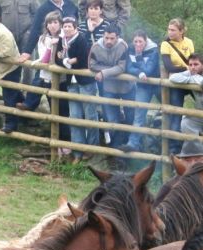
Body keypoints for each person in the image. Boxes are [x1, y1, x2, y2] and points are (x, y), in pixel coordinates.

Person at [16, 11, 70, 148]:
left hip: (61, 79)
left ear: (60, 24)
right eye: (50, 23)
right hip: (45, 74)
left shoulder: (65, 38)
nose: (52, 26)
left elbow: (63, 56)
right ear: (46, 25)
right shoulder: (42, 39)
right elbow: (44, 57)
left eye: (55, 22)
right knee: (42, 93)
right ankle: (28, 105)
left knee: (61, 110)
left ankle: (64, 142)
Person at [89, 24, 134, 149]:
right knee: (112, 119)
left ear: (117, 37)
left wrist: (104, 73)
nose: (109, 41)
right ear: (103, 36)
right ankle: (116, 149)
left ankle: (129, 146)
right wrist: (111, 70)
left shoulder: (123, 46)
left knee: (130, 117)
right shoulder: (96, 47)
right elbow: (91, 65)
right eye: (106, 38)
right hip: (109, 88)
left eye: (112, 38)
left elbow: (122, 66)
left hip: (127, 87)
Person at [59, 16, 97, 163]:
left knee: (90, 115)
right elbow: (58, 58)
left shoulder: (80, 39)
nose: (67, 28)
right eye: (65, 26)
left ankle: (92, 148)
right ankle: (77, 151)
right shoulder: (63, 41)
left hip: (85, 81)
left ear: (75, 27)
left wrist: (68, 61)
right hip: (72, 82)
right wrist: (66, 60)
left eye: (70, 26)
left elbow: (82, 58)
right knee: (74, 117)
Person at [118, 30, 160, 156]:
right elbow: (128, 67)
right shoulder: (130, 49)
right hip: (143, 86)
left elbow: (149, 69)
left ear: (146, 41)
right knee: (139, 115)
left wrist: (139, 56)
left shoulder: (154, 50)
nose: (137, 44)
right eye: (135, 41)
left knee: (169, 111)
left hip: (158, 85)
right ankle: (133, 144)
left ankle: (172, 145)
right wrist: (139, 73)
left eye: (140, 41)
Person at [161, 18, 195, 155]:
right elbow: (169, 66)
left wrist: (188, 68)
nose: (170, 32)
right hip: (177, 83)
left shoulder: (189, 42)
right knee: (176, 114)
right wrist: (186, 69)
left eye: (173, 30)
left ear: (181, 31)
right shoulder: (165, 44)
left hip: (191, 79)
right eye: (169, 29)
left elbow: (193, 61)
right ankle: (174, 149)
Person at [0, 0, 37, 84]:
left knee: (28, 66)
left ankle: (27, 91)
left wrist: (30, 32)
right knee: (10, 65)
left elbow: (37, 15)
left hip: (27, 37)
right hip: (8, 38)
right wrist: (2, 33)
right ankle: (13, 92)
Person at [169, 54, 203, 157]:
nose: (193, 67)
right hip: (200, 113)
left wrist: (197, 79)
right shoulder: (191, 73)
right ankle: (196, 155)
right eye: (190, 64)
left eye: (196, 64)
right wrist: (191, 80)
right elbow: (172, 77)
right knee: (186, 122)